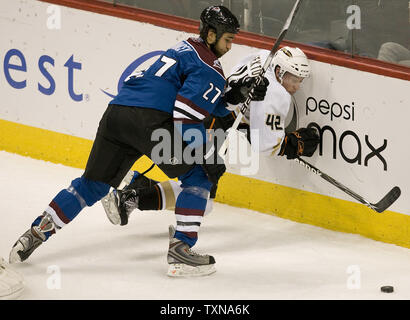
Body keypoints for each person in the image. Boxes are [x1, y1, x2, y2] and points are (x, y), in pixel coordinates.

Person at [9, 6, 269, 277]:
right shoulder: (210, 69)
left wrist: (233, 98)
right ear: (212, 34)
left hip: (117, 115)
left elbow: (195, 96)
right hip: (150, 122)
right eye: (228, 39)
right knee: (201, 176)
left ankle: (36, 232)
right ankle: (181, 251)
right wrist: (207, 155)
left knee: (92, 185)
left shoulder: (184, 48)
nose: (230, 46)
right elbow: (185, 117)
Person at [102, 46, 320, 226]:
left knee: (198, 187)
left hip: (205, 110)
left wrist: (249, 122)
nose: (297, 86)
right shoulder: (276, 95)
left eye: (300, 80)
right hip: (208, 126)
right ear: (280, 71)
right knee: (202, 198)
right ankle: (131, 198)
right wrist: (294, 145)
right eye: (294, 79)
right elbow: (266, 144)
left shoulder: (263, 57)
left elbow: (240, 99)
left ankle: (138, 183)